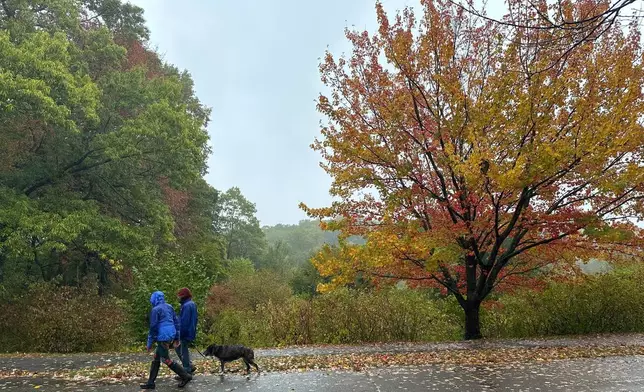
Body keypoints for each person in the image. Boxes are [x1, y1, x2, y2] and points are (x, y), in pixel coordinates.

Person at [140, 291, 192, 389]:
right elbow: (176, 322)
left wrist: (149, 343)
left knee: (166, 359)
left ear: (154, 299)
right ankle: (150, 382)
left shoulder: (155, 310)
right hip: (170, 334)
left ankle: (185, 376)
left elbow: (153, 327)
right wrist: (177, 337)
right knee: (156, 356)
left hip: (163, 336)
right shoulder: (169, 307)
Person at [174, 287, 198, 378]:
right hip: (190, 330)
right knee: (182, 349)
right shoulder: (192, 304)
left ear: (183, 296)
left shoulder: (186, 306)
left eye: (179, 296)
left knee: (182, 350)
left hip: (185, 332)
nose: (178, 298)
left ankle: (186, 370)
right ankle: (189, 366)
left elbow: (184, 322)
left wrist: (180, 333)